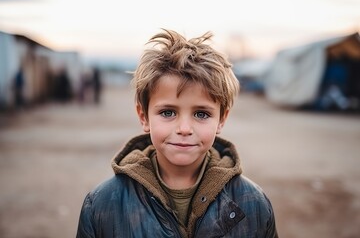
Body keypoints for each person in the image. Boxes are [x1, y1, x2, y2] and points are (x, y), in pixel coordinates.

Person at [76, 29, 278, 238]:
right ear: (144, 116)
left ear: (222, 119)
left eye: (201, 114)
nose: (184, 128)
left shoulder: (254, 204)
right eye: (168, 112)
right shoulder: (102, 206)